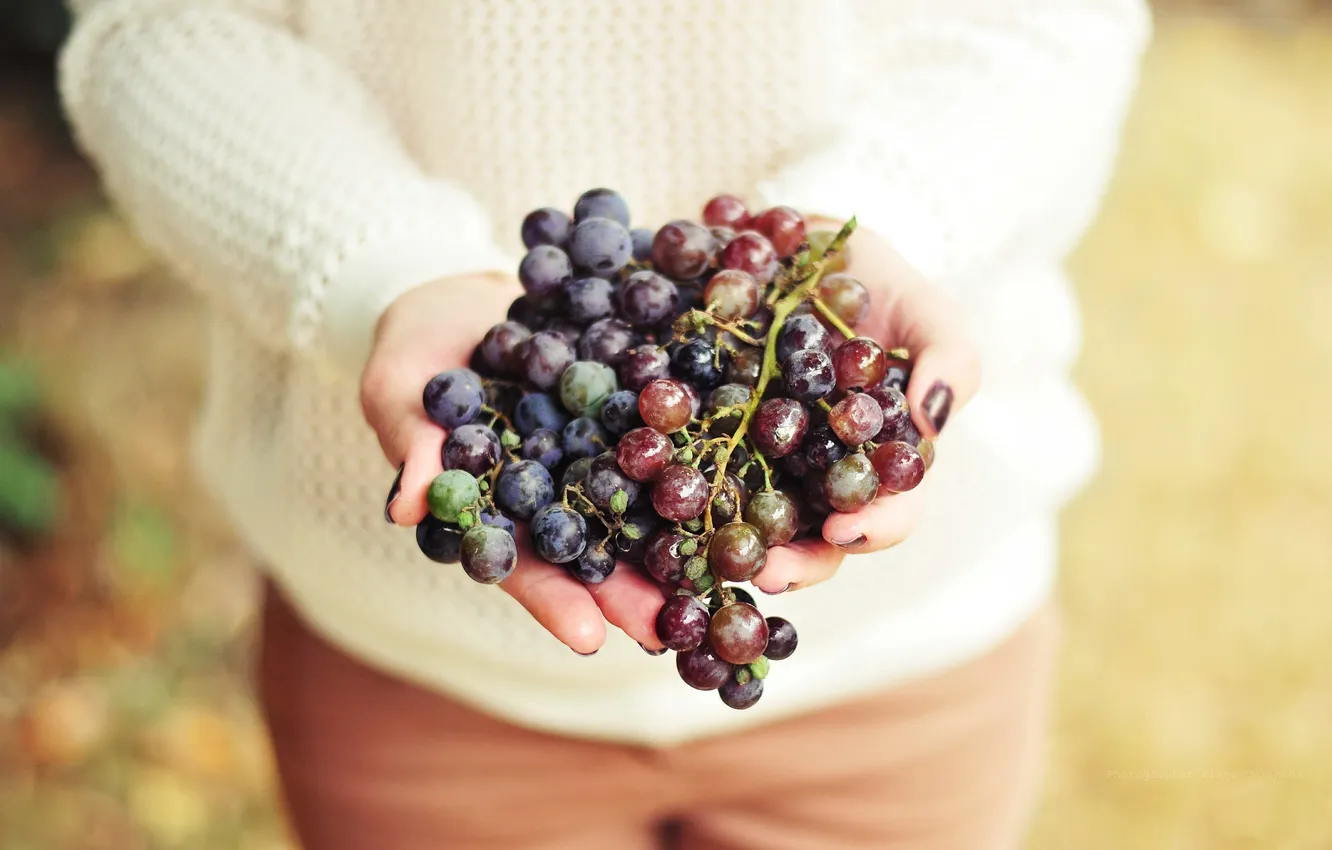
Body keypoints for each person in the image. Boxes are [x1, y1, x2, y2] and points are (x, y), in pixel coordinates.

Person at [58, 1, 1150, 847]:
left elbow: (1050, 22)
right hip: (416, 682)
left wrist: (880, 215)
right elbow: (163, 28)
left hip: (916, 672)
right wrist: (383, 268)